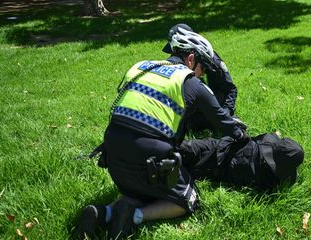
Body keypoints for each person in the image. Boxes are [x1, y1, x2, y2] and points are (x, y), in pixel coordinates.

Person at [77, 26, 247, 239]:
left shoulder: (140, 66)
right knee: (188, 200)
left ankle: (104, 213)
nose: (202, 74)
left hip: (112, 155)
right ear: (191, 58)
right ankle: (136, 216)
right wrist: (242, 134)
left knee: (142, 190)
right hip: (149, 159)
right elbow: (224, 122)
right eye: (202, 67)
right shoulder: (190, 82)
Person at [162, 24, 240, 134]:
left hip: (214, 101)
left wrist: (226, 113)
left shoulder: (212, 62)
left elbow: (230, 89)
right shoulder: (176, 62)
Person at [178, 133, 304, 191]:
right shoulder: (272, 182)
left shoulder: (265, 141)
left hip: (213, 156)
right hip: (214, 166)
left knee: (181, 150)